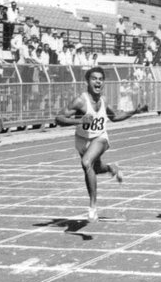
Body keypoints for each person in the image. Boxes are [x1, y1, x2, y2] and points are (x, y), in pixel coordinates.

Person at [56, 66, 147, 222]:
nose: (98, 82)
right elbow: (58, 119)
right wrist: (80, 120)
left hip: (100, 138)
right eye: (94, 79)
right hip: (82, 141)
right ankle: (112, 169)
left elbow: (115, 117)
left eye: (100, 79)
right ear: (87, 81)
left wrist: (134, 112)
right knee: (95, 168)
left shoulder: (103, 100)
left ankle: (92, 207)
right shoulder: (80, 101)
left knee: (86, 163)